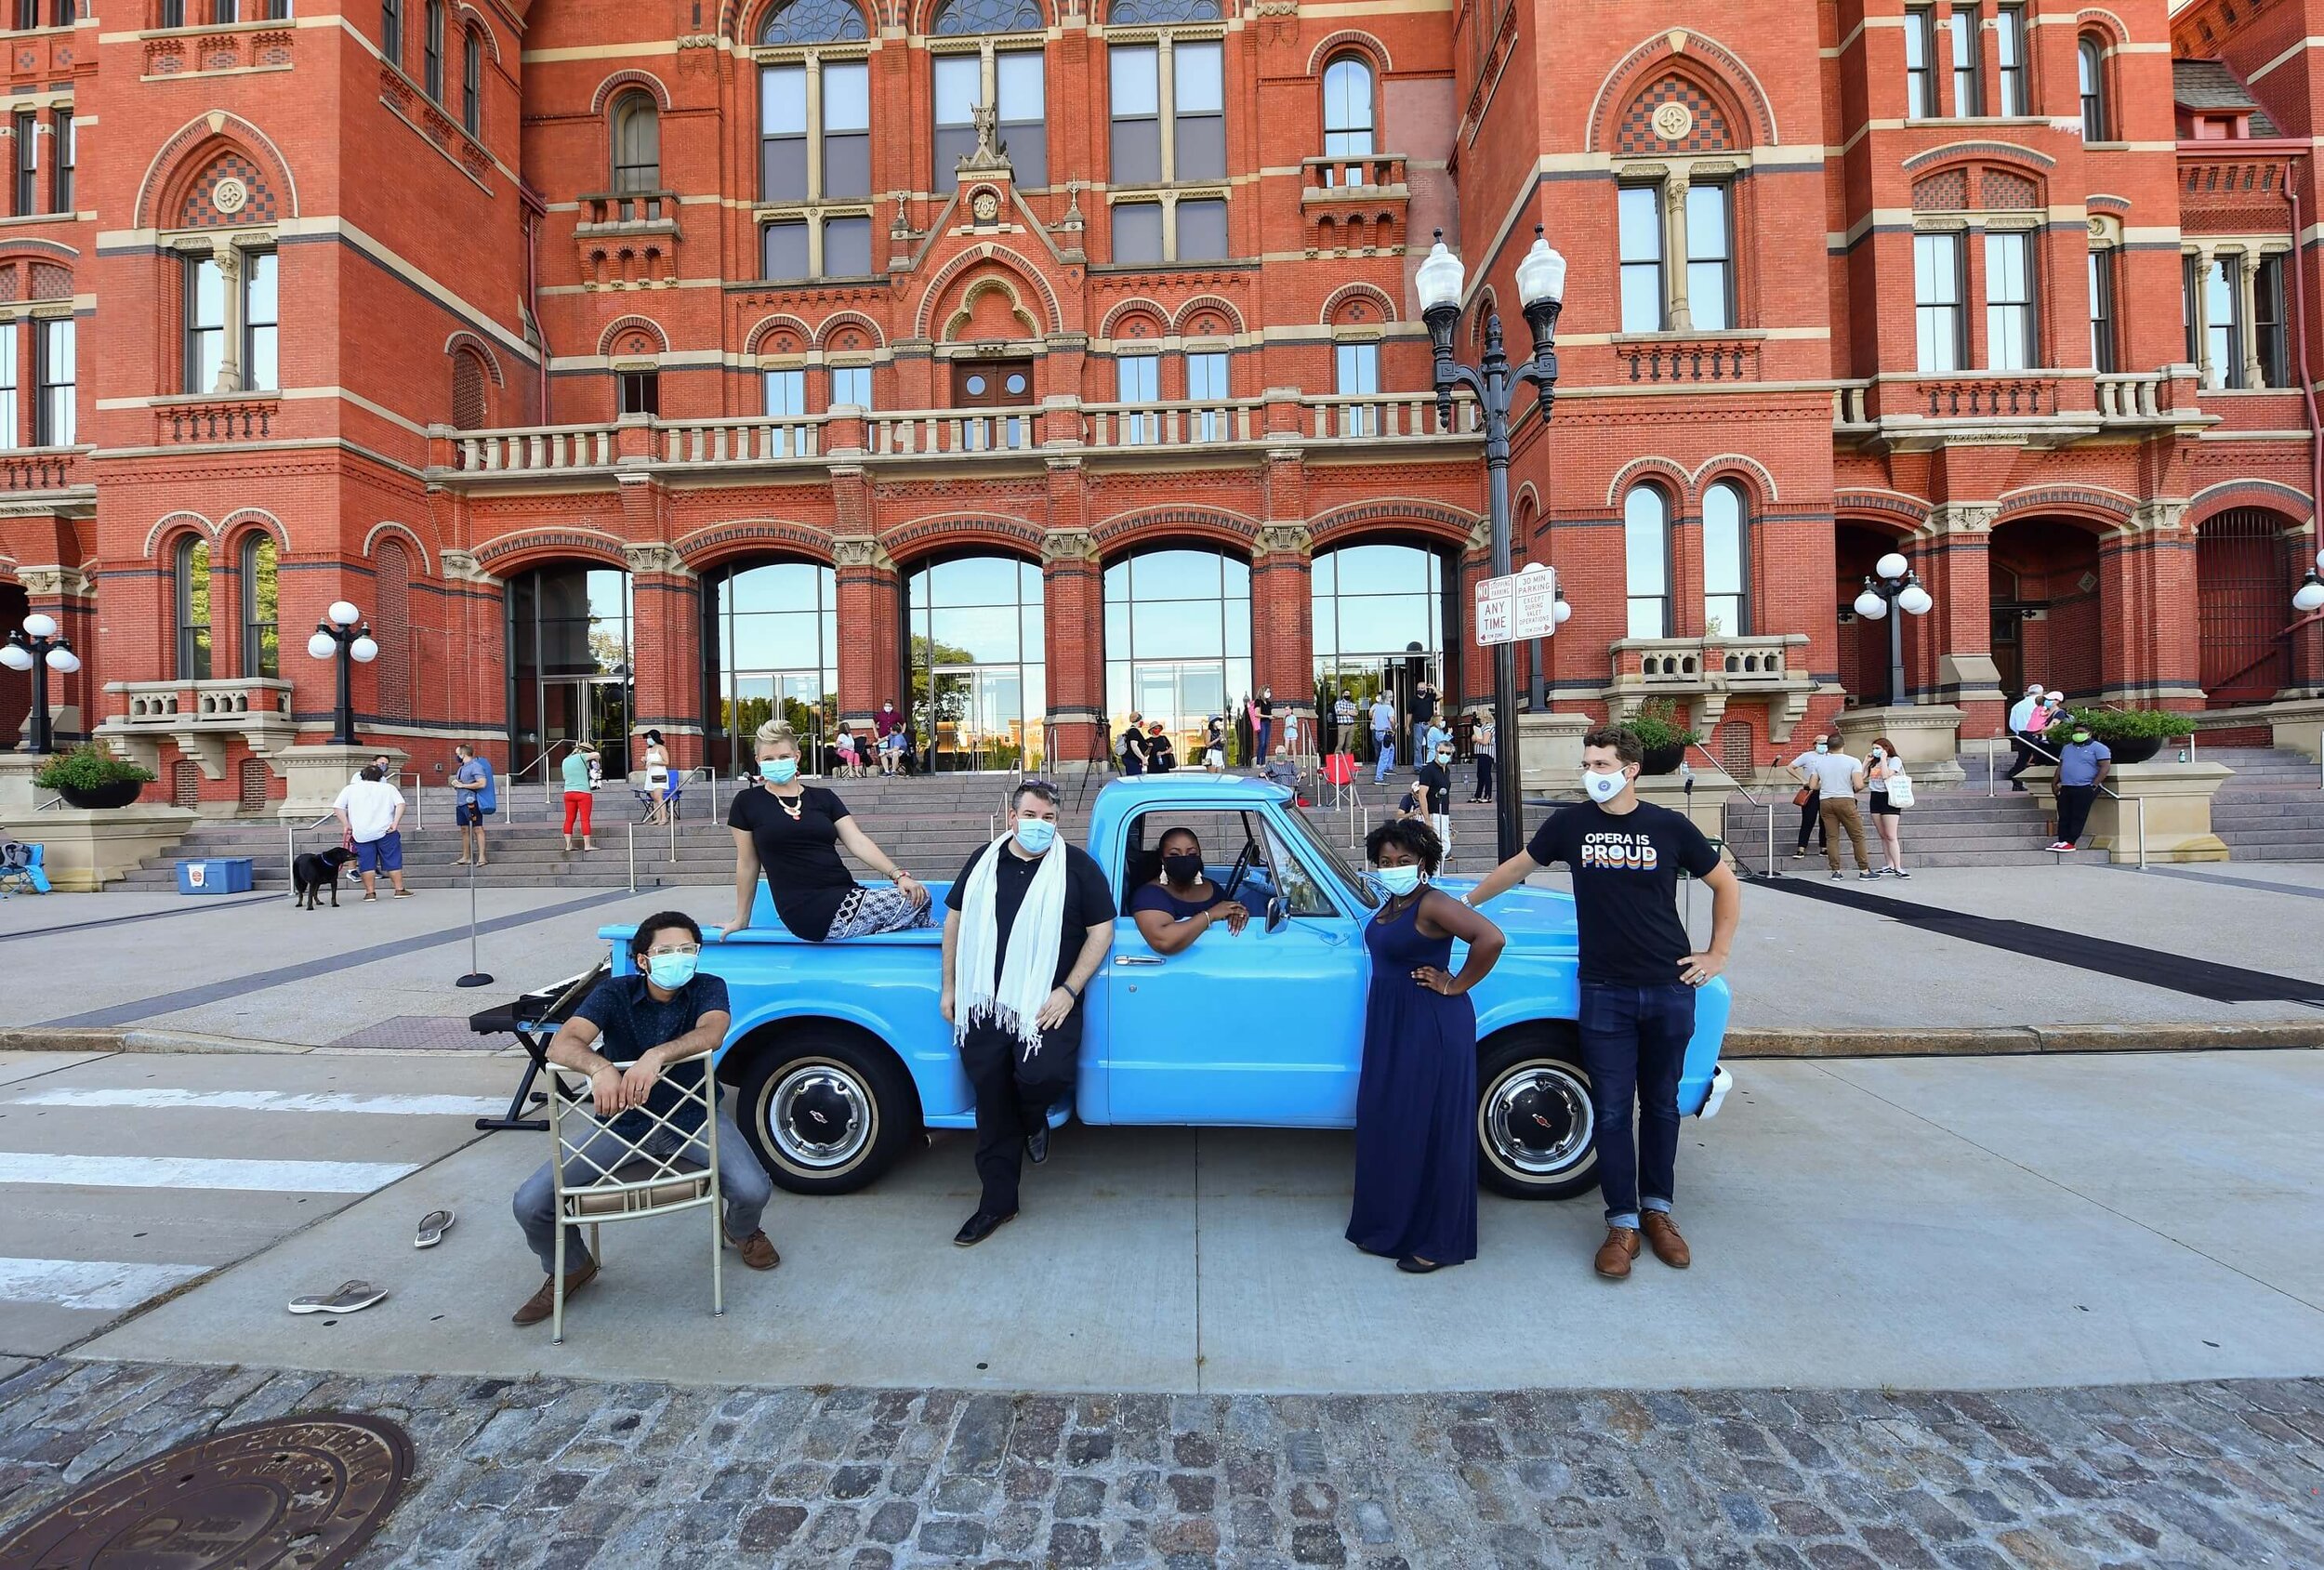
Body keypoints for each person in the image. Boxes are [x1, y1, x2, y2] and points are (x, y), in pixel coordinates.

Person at [1462, 726, 1739, 1281]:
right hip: (1604, 992)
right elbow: (1517, 868)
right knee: (1611, 1112)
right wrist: (1461, 904)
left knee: (1661, 1107)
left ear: (1630, 769)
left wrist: (1717, 953)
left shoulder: (1669, 826)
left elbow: (1725, 885)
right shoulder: (1571, 824)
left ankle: (1659, 1212)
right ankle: (1622, 1222)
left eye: (1602, 761)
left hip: (1668, 987)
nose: (1592, 771)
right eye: (1588, 761)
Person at [508, 912, 777, 1326]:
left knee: (753, 1190)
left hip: (693, 1119)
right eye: (666, 951)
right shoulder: (614, 993)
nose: (679, 959)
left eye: (688, 950)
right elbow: (563, 1044)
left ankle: (740, 1231)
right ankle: (572, 1266)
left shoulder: (708, 987)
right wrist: (600, 1069)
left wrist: (656, 1056)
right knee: (530, 1203)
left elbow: (713, 1032)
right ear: (642, 960)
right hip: (622, 1124)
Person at [941, 782, 1116, 1246]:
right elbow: (955, 920)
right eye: (1032, 815)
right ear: (1012, 817)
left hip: (1046, 1004)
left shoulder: (1076, 868)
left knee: (1041, 1077)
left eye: (1049, 818)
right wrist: (950, 987)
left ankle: (1035, 1119)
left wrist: (1069, 991)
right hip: (985, 1004)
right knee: (992, 1102)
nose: (1040, 825)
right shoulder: (983, 861)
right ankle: (996, 1204)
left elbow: (1102, 932)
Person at [1348, 817, 1506, 1273]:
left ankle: (1438, 1242)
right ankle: (1390, 1228)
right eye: (1385, 861)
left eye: (1403, 860)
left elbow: (1490, 938)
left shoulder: (1431, 903)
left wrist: (1455, 985)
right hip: (1393, 1026)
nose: (1393, 867)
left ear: (1422, 863)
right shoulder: (1392, 904)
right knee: (1393, 1123)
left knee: (1432, 1129)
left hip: (1430, 1026)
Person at [726, 721, 932, 942]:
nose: (776, 763)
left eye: (783, 757)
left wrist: (899, 875)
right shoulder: (747, 802)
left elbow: (857, 841)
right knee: (918, 902)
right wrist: (741, 918)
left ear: (797, 757)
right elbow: (747, 862)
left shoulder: (823, 798)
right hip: (804, 908)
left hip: (844, 893)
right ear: (758, 761)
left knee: (918, 896)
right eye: (769, 759)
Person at [1127, 826, 1249, 954]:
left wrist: (1238, 914)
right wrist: (1210, 915)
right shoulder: (1148, 895)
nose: (1184, 859)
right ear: (1162, 859)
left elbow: (1231, 909)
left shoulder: (1212, 887)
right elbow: (1164, 941)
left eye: (1191, 854)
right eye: (1174, 854)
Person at [332, 765, 410, 900]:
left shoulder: (350, 789)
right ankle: (399, 889)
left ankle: (370, 893)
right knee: (392, 860)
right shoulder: (388, 788)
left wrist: (346, 824)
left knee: (366, 863)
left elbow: (338, 807)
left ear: (361, 776)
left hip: (361, 832)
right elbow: (401, 804)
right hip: (386, 831)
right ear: (381, 777)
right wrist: (395, 823)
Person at [1799, 739, 1873, 879]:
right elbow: (1858, 785)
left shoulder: (1819, 762)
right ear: (1843, 745)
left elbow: (1813, 785)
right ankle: (1864, 870)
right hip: (1845, 799)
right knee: (1857, 836)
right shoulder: (1852, 761)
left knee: (1832, 837)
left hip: (1825, 801)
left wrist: (1828, 784)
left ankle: (1836, 871)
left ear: (1828, 747)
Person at [2050, 723, 2111, 852]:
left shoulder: (2099, 748)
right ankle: (2062, 840)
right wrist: (2054, 783)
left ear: (2089, 733)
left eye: (2081, 731)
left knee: (2078, 815)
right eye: (2076, 731)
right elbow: (2061, 766)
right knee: (2064, 814)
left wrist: (2094, 784)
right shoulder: (2067, 748)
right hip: (2066, 786)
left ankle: (2071, 841)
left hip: (2085, 786)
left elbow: (2105, 767)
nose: (2078, 734)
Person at [1866, 736, 1909, 877]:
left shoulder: (1894, 760)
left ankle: (1898, 866)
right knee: (1883, 835)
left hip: (1889, 797)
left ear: (1886, 748)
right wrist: (1866, 762)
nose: (1875, 751)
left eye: (1878, 748)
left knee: (1891, 835)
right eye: (1873, 748)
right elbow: (1861, 777)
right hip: (1875, 797)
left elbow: (1886, 776)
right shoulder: (1874, 762)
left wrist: (1884, 759)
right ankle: (1889, 865)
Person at [1786, 736, 1831, 859]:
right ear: (1815, 744)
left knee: (1825, 820)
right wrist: (1802, 780)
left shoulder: (1831, 756)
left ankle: (1824, 847)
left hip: (1826, 791)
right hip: (1810, 791)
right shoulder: (1807, 756)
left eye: (1826, 743)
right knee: (1808, 820)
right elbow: (1790, 767)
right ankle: (1801, 848)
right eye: (1821, 743)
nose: (1824, 746)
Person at [451, 744, 495, 867]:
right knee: (464, 829)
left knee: (477, 828)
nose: (457, 756)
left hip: (472, 802)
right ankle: (466, 856)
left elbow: (482, 783)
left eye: (457, 753)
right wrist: (457, 784)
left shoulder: (475, 766)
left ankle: (482, 857)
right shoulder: (461, 768)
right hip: (461, 802)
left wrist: (463, 785)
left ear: (463, 754)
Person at [2002, 683, 2044, 790]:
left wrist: (2019, 733)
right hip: (2036, 733)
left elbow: (2012, 723)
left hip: (2022, 734)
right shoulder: (2042, 704)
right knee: (2040, 758)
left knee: (2022, 758)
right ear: (2041, 692)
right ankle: (2040, 784)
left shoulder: (2018, 705)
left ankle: (2017, 783)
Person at [1415, 742, 1453, 851]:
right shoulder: (1429, 770)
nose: (1444, 755)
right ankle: (1431, 868)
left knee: (1442, 846)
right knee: (1443, 846)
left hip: (1443, 813)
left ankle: (1435, 869)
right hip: (1433, 813)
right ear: (1436, 752)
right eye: (1441, 752)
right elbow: (1422, 795)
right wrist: (1427, 818)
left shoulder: (1447, 771)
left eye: (1447, 753)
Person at [561, 742, 597, 853]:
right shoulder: (582, 756)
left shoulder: (565, 760)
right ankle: (587, 845)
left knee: (569, 819)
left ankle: (568, 845)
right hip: (583, 792)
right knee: (585, 819)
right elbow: (597, 754)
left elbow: (564, 776)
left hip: (568, 792)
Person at [641, 729, 672, 826]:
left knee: (659, 797)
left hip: (659, 774)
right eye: (648, 737)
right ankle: (657, 818)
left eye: (650, 737)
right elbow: (646, 765)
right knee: (654, 798)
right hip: (650, 775)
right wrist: (644, 761)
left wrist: (654, 762)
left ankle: (664, 817)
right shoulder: (648, 750)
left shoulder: (661, 748)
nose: (648, 739)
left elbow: (666, 762)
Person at [1410, 681, 1438, 771]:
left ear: (1425, 689)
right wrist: (1407, 725)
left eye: (1422, 688)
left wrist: (1433, 687)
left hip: (1429, 724)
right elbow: (1409, 713)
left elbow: (1440, 696)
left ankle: (1432, 764)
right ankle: (1418, 766)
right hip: (1418, 724)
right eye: (1419, 688)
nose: (1420, 690)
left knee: (1432, 745)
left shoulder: (1430, 697)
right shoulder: (1413, 700)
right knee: (1417, 746)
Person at [1469, 713, 1497, 804]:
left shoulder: (1488, 727)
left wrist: (1476, 739)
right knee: (1480, 775)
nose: (1478, 719)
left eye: (1479, 717)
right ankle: (1478, 795)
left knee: (1486, 774)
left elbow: (1485, 741)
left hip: (1486, 753)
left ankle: (1487, 795)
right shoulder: (1482, 727)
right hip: (1481, 753)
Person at [874, 700, 904, 776]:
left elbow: (903, 723)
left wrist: (902, 732)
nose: (887, 707)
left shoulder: (896, 715)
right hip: (883, 737)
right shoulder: (880, 715)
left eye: (889, 706)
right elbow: (873, 722)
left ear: (892, 707)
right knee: (882, 752)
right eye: (886, 705)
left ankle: (893, 770)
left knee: (894, 753)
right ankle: (886, 771)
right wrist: (876, 735)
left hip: (896, 744)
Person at [1118, 712, 1148, 776]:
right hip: (1133, 760)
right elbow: (1134, 746)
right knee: (1135, 779)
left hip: (1131, 760)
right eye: (1141, 720)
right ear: (1139, 721)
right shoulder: (1134, 731)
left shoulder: (1129, 731)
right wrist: (1143, 759)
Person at [1333, 690, 1358, 757]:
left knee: (1349, 745)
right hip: (1342, 726)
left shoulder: (1352, 704)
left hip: (1351, 726)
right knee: (1341, 743)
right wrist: (1349, 712)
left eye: (1349, 694)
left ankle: (1346, 761)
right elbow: (1339, 712)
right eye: (1346, 694)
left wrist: (1345, 712)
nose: (1348, 695)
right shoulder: (1338, 703)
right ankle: (1335, 760)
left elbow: (1356, 713)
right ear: (1343, 695)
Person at [1255, 687, 1275, 762]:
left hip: (1268, 723)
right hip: (1262, 723)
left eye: (1269, 691)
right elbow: (1256, 714)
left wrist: (1272, 716)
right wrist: (1268, 716)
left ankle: (1263, 761)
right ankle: (1258, 761)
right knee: (1262, 742)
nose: (1268, 693)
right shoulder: (1258, 701)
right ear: (1262, 692)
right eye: (1267, 691)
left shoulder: (1269, 703)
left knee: (1266, 743)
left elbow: (1269, 713)